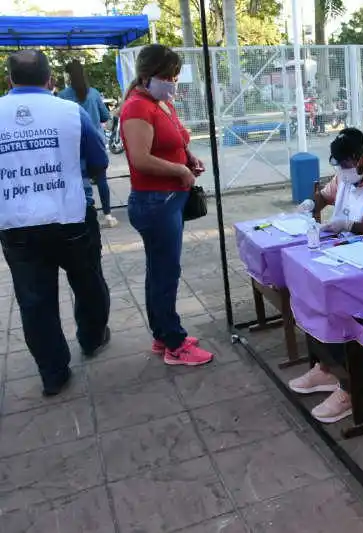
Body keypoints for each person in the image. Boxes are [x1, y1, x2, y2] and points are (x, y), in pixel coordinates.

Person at [0, 50, 111, 395]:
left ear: (9, 80)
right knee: (89, 283)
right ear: (50, 81)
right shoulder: (70, 111)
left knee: (34, 302)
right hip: (72, 217)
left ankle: (53, 373)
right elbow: (99, 160)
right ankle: (92, 338)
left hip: (16, 225)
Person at [289, 128, 363, 422]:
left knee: (341, 309)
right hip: (343, 258)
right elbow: (325, 195)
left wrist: (351, 225)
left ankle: (350, 387)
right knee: (311, 292)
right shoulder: (346, 177)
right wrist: (313, 204)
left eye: (346, 165)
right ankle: (326, 368)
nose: (342, 172)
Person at [120, 44, 214, 366]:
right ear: (147, 76)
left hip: (170, 200)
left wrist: (189, 158)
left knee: (159, 271)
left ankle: (163, 334)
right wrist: (178, 171)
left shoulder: (161, 103)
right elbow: (140, 159)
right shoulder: (137, 108)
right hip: (155, 202)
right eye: (167, 76)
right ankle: (175, 343)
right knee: (164, 274)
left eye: (175, 75)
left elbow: (176, 140)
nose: (173, 81)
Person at [59, 60, 118, 228]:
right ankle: (107, 215)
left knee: (77, 180)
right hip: (95, 143)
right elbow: (105, 117)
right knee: (101, 180)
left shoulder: (63, 96)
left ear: (68, 76)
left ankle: (83, 214)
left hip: (73, 144)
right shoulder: (93, 93)